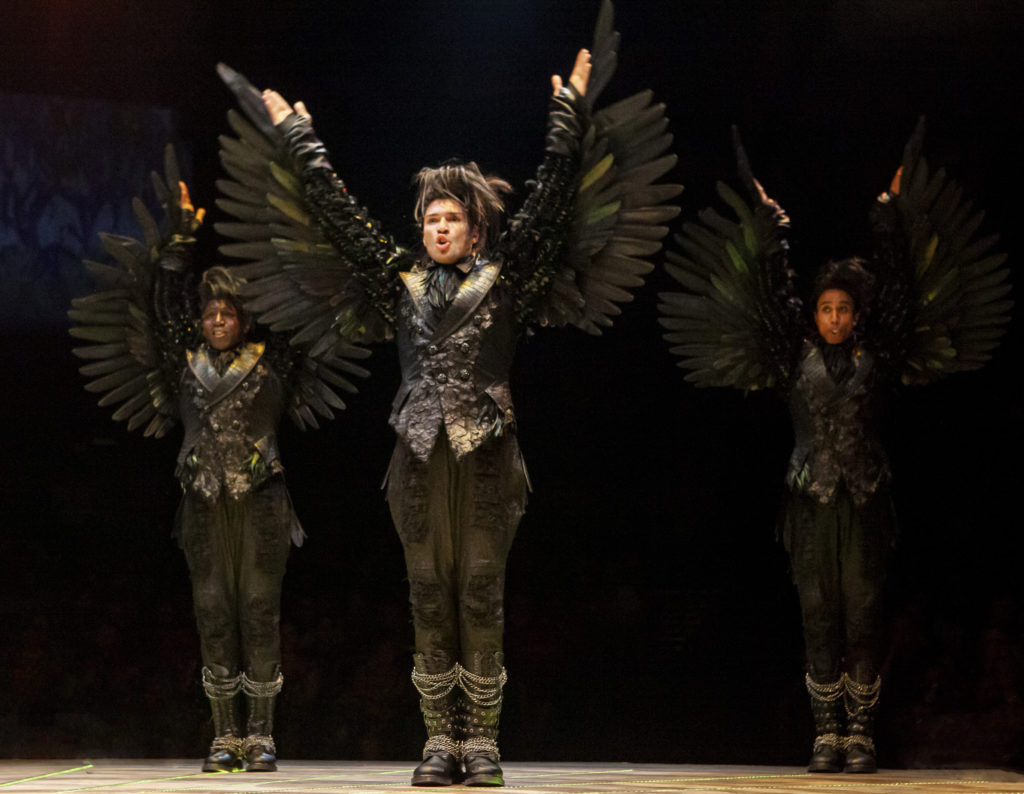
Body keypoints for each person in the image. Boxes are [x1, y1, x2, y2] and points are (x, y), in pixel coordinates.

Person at [214, 3, 680, 784]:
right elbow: (339, 217)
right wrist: (299, 136)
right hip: (418, 453)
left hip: (489, 452)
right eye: (429, 217)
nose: (437, 227)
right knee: (428, 593)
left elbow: (550, 202)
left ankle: (483, 743)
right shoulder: (396, 280)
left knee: (481, 591)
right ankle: (439, 742)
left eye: (451, 217)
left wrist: (568, 112)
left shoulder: (508, 278)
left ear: (474, 228)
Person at [658, 122, 1010, 773]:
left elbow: (904, 292)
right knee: (818, 616)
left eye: (845, 308)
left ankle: (863, 735)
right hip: (810, 499)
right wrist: (769, 224)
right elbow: (769, 291)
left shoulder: (881, 358)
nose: (835, 317)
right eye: (825, 308)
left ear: (858, 315)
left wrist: (890, 216)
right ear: (814, 315)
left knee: (865, 615)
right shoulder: (791, 360)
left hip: (868, 497)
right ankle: (826, 734)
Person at [70, 159, 368, 772]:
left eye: (229, 312)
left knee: (259, 610)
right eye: (209, 314)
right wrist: (176, 246)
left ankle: (262, 735)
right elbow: (156, 314)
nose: (218, 321)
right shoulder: (182, 364)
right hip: (202, 503)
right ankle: (223, 735)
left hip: (262, 501)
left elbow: (306, 311)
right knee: (212, 612)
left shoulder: (275, 362)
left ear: (246, 316)